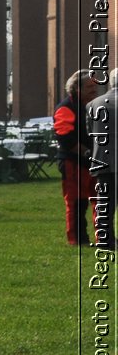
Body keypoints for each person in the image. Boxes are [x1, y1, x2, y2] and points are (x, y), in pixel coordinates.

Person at [55, 69, 101, 246]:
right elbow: (65, 137)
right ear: (77, 88)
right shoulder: (65, 108)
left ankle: (103, 238)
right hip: (74, 163)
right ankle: (77, 239)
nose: (94, 90)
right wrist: (87, 153)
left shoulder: (96, 105)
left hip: (96, 162)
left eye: (94, 86)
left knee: (101, 202)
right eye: (89, 87)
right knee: (77, 203)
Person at [87, 83, 117, 249]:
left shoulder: (93, 104)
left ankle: (105, 240)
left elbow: (89, 131)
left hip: (103, 159)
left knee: (105, 203)